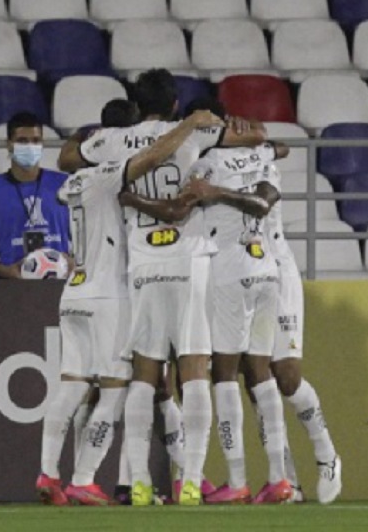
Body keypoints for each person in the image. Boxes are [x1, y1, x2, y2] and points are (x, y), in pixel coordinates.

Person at [60, 69, 266, 506]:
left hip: (142, 264)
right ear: (175, 103)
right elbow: (257, 137)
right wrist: (220, 123)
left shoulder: (113, 140)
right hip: (190, 260)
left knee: (144, 374)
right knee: (194, 370)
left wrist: (90, 138)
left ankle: (138, 483)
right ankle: (190, 481)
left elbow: (68, 158)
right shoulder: (194, 131)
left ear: (137, 105)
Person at [36, 102, 224, 506]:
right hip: (114, 292)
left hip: (75, 290)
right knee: (120, 390)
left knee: (74, 387)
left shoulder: (70, 184)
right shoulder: (112, 175)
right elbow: (151, 158)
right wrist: (189, 124)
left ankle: (50, 472)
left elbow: (70, 157)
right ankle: (88, 478)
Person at [182, 98, 292, 505]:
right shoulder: (263, 156)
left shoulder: (202, 165)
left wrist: (211, 192)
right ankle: (278, 478)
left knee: (225, 374)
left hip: (228, 271)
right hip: (267, 270)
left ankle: (238, 480)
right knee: (260, 373)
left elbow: (181, 202)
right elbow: (277, 157)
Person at [254, 158, 342, 504]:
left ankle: (327, 456)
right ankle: (285, 479)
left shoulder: (260, 161)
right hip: (235, 275)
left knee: (287, 378)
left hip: (276, 271)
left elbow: (264, 199)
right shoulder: (207, 162)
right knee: (256, 380)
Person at [0, 111, 70, 278]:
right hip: (11, 285)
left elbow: (87, 234)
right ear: (9, 144)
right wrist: (4, 270)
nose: (30, 146)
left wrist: (74, 262)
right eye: (22, 141)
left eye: (35, 140)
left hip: (59, 282)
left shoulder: (65, 185)